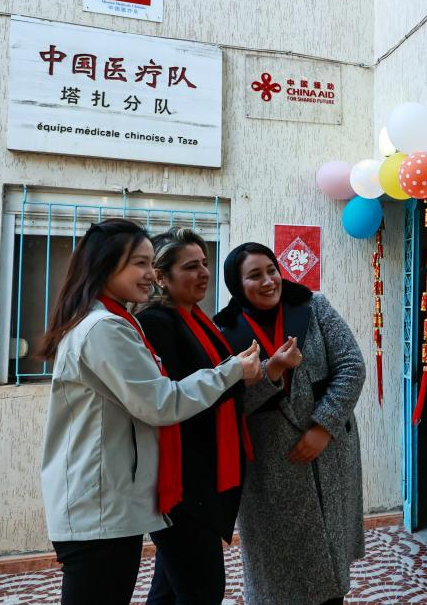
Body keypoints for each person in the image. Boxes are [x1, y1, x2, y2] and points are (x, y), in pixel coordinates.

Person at [37, 219, 266, 605]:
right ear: (106, 266)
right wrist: (232, 372)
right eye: (140, 264)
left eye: (150, 263)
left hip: (111, 505)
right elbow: (161, 403)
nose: (149, 274)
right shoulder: (106, 328)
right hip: (100, 507)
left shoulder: (117, 322)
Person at [136, 228, 299, 604]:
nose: (203, 273)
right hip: (184, 482)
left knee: (170, 590)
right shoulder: (158, 322)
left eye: (205, 264)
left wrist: (267, 368)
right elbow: (176, 398)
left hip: (202, 481)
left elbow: (221, 387)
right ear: (162, 277)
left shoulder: (196, 319)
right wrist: (240, 373)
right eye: (191, 266)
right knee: (202, 591)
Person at [215, 242, 366, 605]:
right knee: (277, 577)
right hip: (270, 467)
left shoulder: (313, 307)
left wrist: (323, 427)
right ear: (237, 285)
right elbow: (228, 403)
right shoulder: (225, 330)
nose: (268, 281)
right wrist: (272, 370)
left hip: (328, 456)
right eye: (254, 275)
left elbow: (351, 366)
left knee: (329, 571)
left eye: (272, 270)